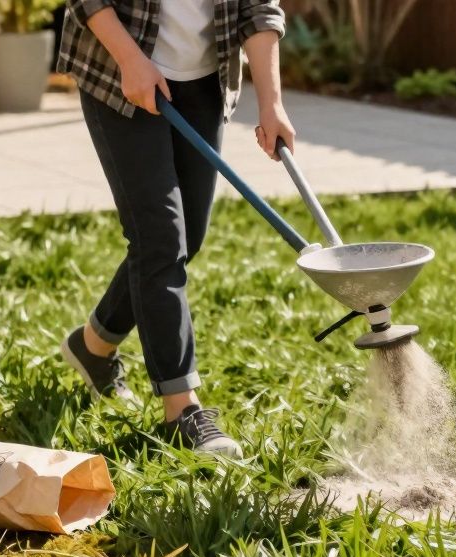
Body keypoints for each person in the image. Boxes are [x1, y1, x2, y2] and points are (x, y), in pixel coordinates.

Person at [56, 0, 295, 458]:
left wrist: (272, 103)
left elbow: (259, 7)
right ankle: (181, 408)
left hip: (202, 81)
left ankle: (92, 346)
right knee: (161, 239)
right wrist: (131, 60)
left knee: (187, 236)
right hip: (120, 72)